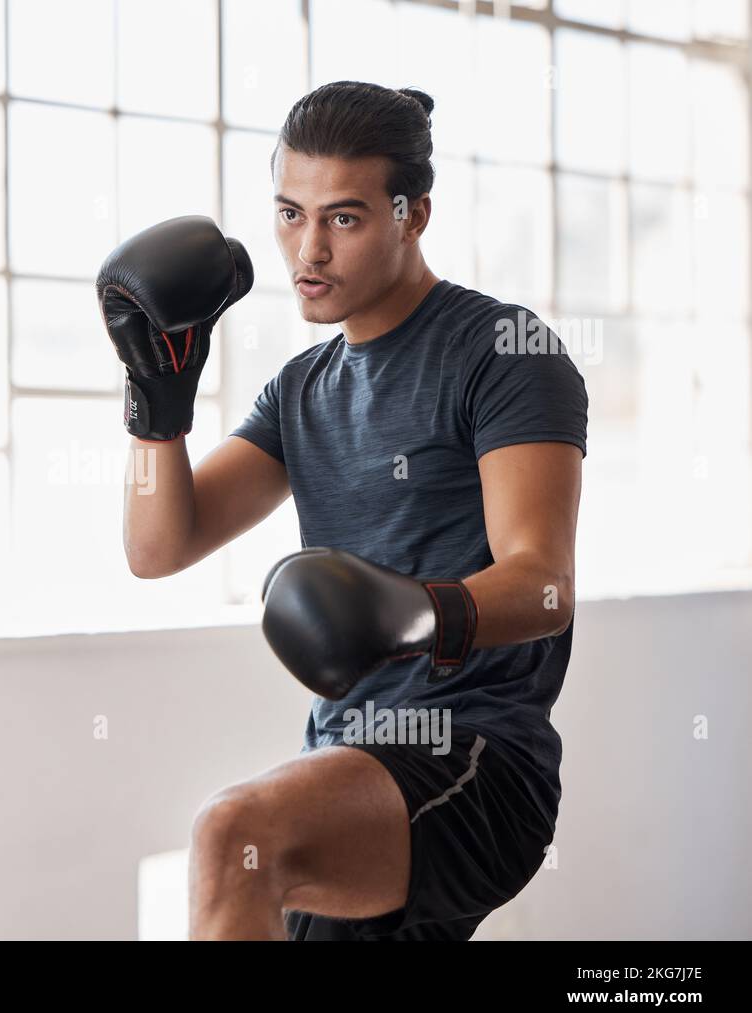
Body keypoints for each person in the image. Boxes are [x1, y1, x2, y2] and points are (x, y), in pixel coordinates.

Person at [95, 80, 587, 941]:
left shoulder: (503, 353)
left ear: (413, 215)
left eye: (345, 219)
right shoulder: (302, 391)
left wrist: (411, 613)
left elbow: (545, 586)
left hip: (473, 754)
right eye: (290, 214)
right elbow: (157, 545)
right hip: (344, 759)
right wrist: (154, 402)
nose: (308, 251)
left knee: (232, 832)